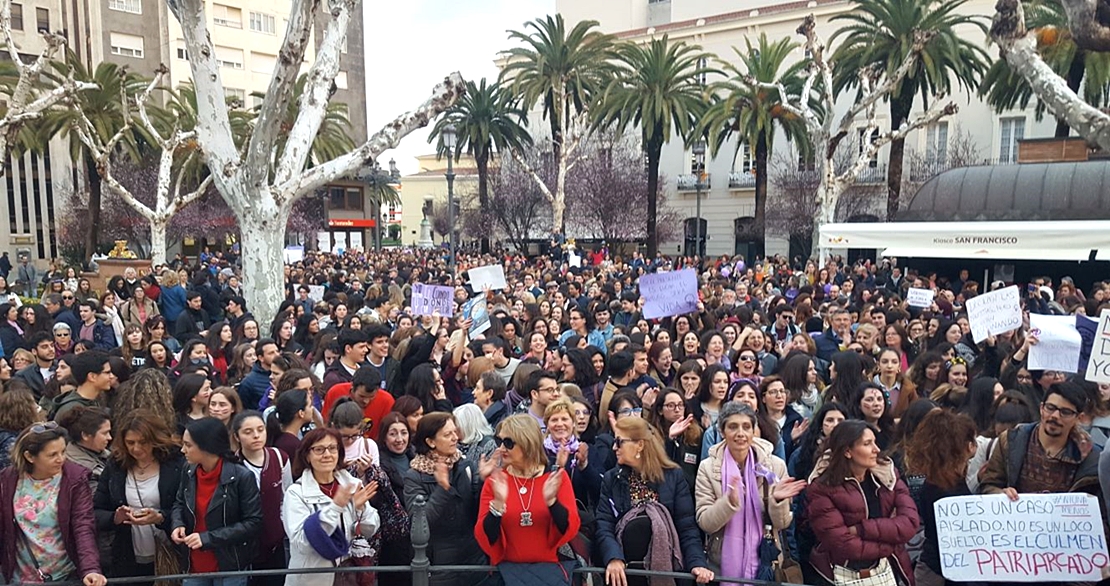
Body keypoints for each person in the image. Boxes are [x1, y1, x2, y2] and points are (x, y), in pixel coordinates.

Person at [595, 417, 714, 586]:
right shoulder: (612, 478)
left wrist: (697, 563)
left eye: (619, 441)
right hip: (626, 574)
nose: (614, 447)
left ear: (640, 445)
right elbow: (604, 525)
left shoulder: (674, 476)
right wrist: (613, 557)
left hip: (668, 570)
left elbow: (687, 528)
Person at [694, 402, 806, 581]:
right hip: (721, 562)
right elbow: (705, 523)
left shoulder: (775, 466)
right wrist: (728, 503)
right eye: (733, 427)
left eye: (746, 427)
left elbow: (783, 523)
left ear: (754, 430)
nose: (740, 433)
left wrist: (776, 501)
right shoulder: (707, 468)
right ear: (722, 432)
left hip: (766, 561)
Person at [805, 420, 920, 586]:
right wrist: (890, 544)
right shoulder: (822, 487)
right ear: (847, 451)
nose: (876, 449)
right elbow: (842, 544)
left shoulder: (887, 476)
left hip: (884, 569)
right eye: (867, 444)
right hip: (845, 574)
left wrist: (861, 529)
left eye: (874, 442)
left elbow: (909, 523)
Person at [0, 422, 107, 586]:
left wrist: (90, 568)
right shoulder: (8, 479)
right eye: (52, 455)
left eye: (63, 452)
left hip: (64, 575)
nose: (61, 459)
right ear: (30, 457)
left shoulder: (75, 479)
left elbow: (83, 526)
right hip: (19, 576)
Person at [476, 414, 580, 579]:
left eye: (508, 443)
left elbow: (568, 527)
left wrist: (552, 502)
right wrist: (497, 506)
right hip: (506, 574)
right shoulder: (496, 480)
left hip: (547, 573)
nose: (501, 448)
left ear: (527, 443)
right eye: (499, 441)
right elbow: (486, 535)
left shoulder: (555, 478)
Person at [93, 410, 186, 580]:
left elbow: (188, 509)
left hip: (169, 551)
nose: (136, 448)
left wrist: (160, 517)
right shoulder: (116, 465)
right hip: (127, 554)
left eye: (143, 442)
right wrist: (115, 517)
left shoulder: (176, 463)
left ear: (155, 439)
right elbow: (96, 510)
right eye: (130, 442)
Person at [402, 412, 493, 586]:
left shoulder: (465, 465)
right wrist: (443, 489)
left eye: (455, 432)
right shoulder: (414, 476)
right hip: (440, 562)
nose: (455, 438)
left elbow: (477, 509)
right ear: (430, 442)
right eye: (447, 434)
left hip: (472, 555)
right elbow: (419, 522)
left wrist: (483, 481)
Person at [283, 428, 381, 586]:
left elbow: (370, 529)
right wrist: (335, 507)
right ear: (307, 456)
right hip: (313, 578)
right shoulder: (296, 493)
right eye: (319, 450)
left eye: (332, 448)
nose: (327, 455)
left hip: (348, 574)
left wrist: (361, 508)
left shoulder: (351, 484)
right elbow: (303, 543)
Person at [171, 417, 263, 584]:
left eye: (188, 445)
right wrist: (178, 523)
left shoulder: (241, 477)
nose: (183, 450)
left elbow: (253, 522)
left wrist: (208, 538)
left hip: (229, 566)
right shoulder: (189, 470)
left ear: (207, 447)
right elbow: (179, 502)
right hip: (193, 564)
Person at [979, 381, 1101, 498]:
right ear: (1041, 408)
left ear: (1079, 418)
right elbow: (989, 485)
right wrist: (1001, 494)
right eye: (1050, 408)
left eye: (1065, 412)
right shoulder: (1011, 440)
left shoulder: (1090, 457)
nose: (1055, 416)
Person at [904, 410, 978, 586]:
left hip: (934, 567)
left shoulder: (935, 480)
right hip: (943, 572)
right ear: (967, 446)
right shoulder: (949, 489)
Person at [232, 411, 292, 586]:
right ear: (237, 436)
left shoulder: (279, 457)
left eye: (260, 429)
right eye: (248, 432)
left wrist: (281, 526)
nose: (256, 436)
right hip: (245, 544)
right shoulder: (232, 465)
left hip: (275, 541)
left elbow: (286, 496)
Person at [57, 406, 112, 492]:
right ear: (85, 435)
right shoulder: (81, 470)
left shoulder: (106, 454)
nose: (109, 437)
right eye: (104, 433)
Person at [50, 350, 113, 422]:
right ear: (92, 376)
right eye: (107, 372)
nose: (111, 376)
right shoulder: (71, 410)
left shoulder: (95, 401)